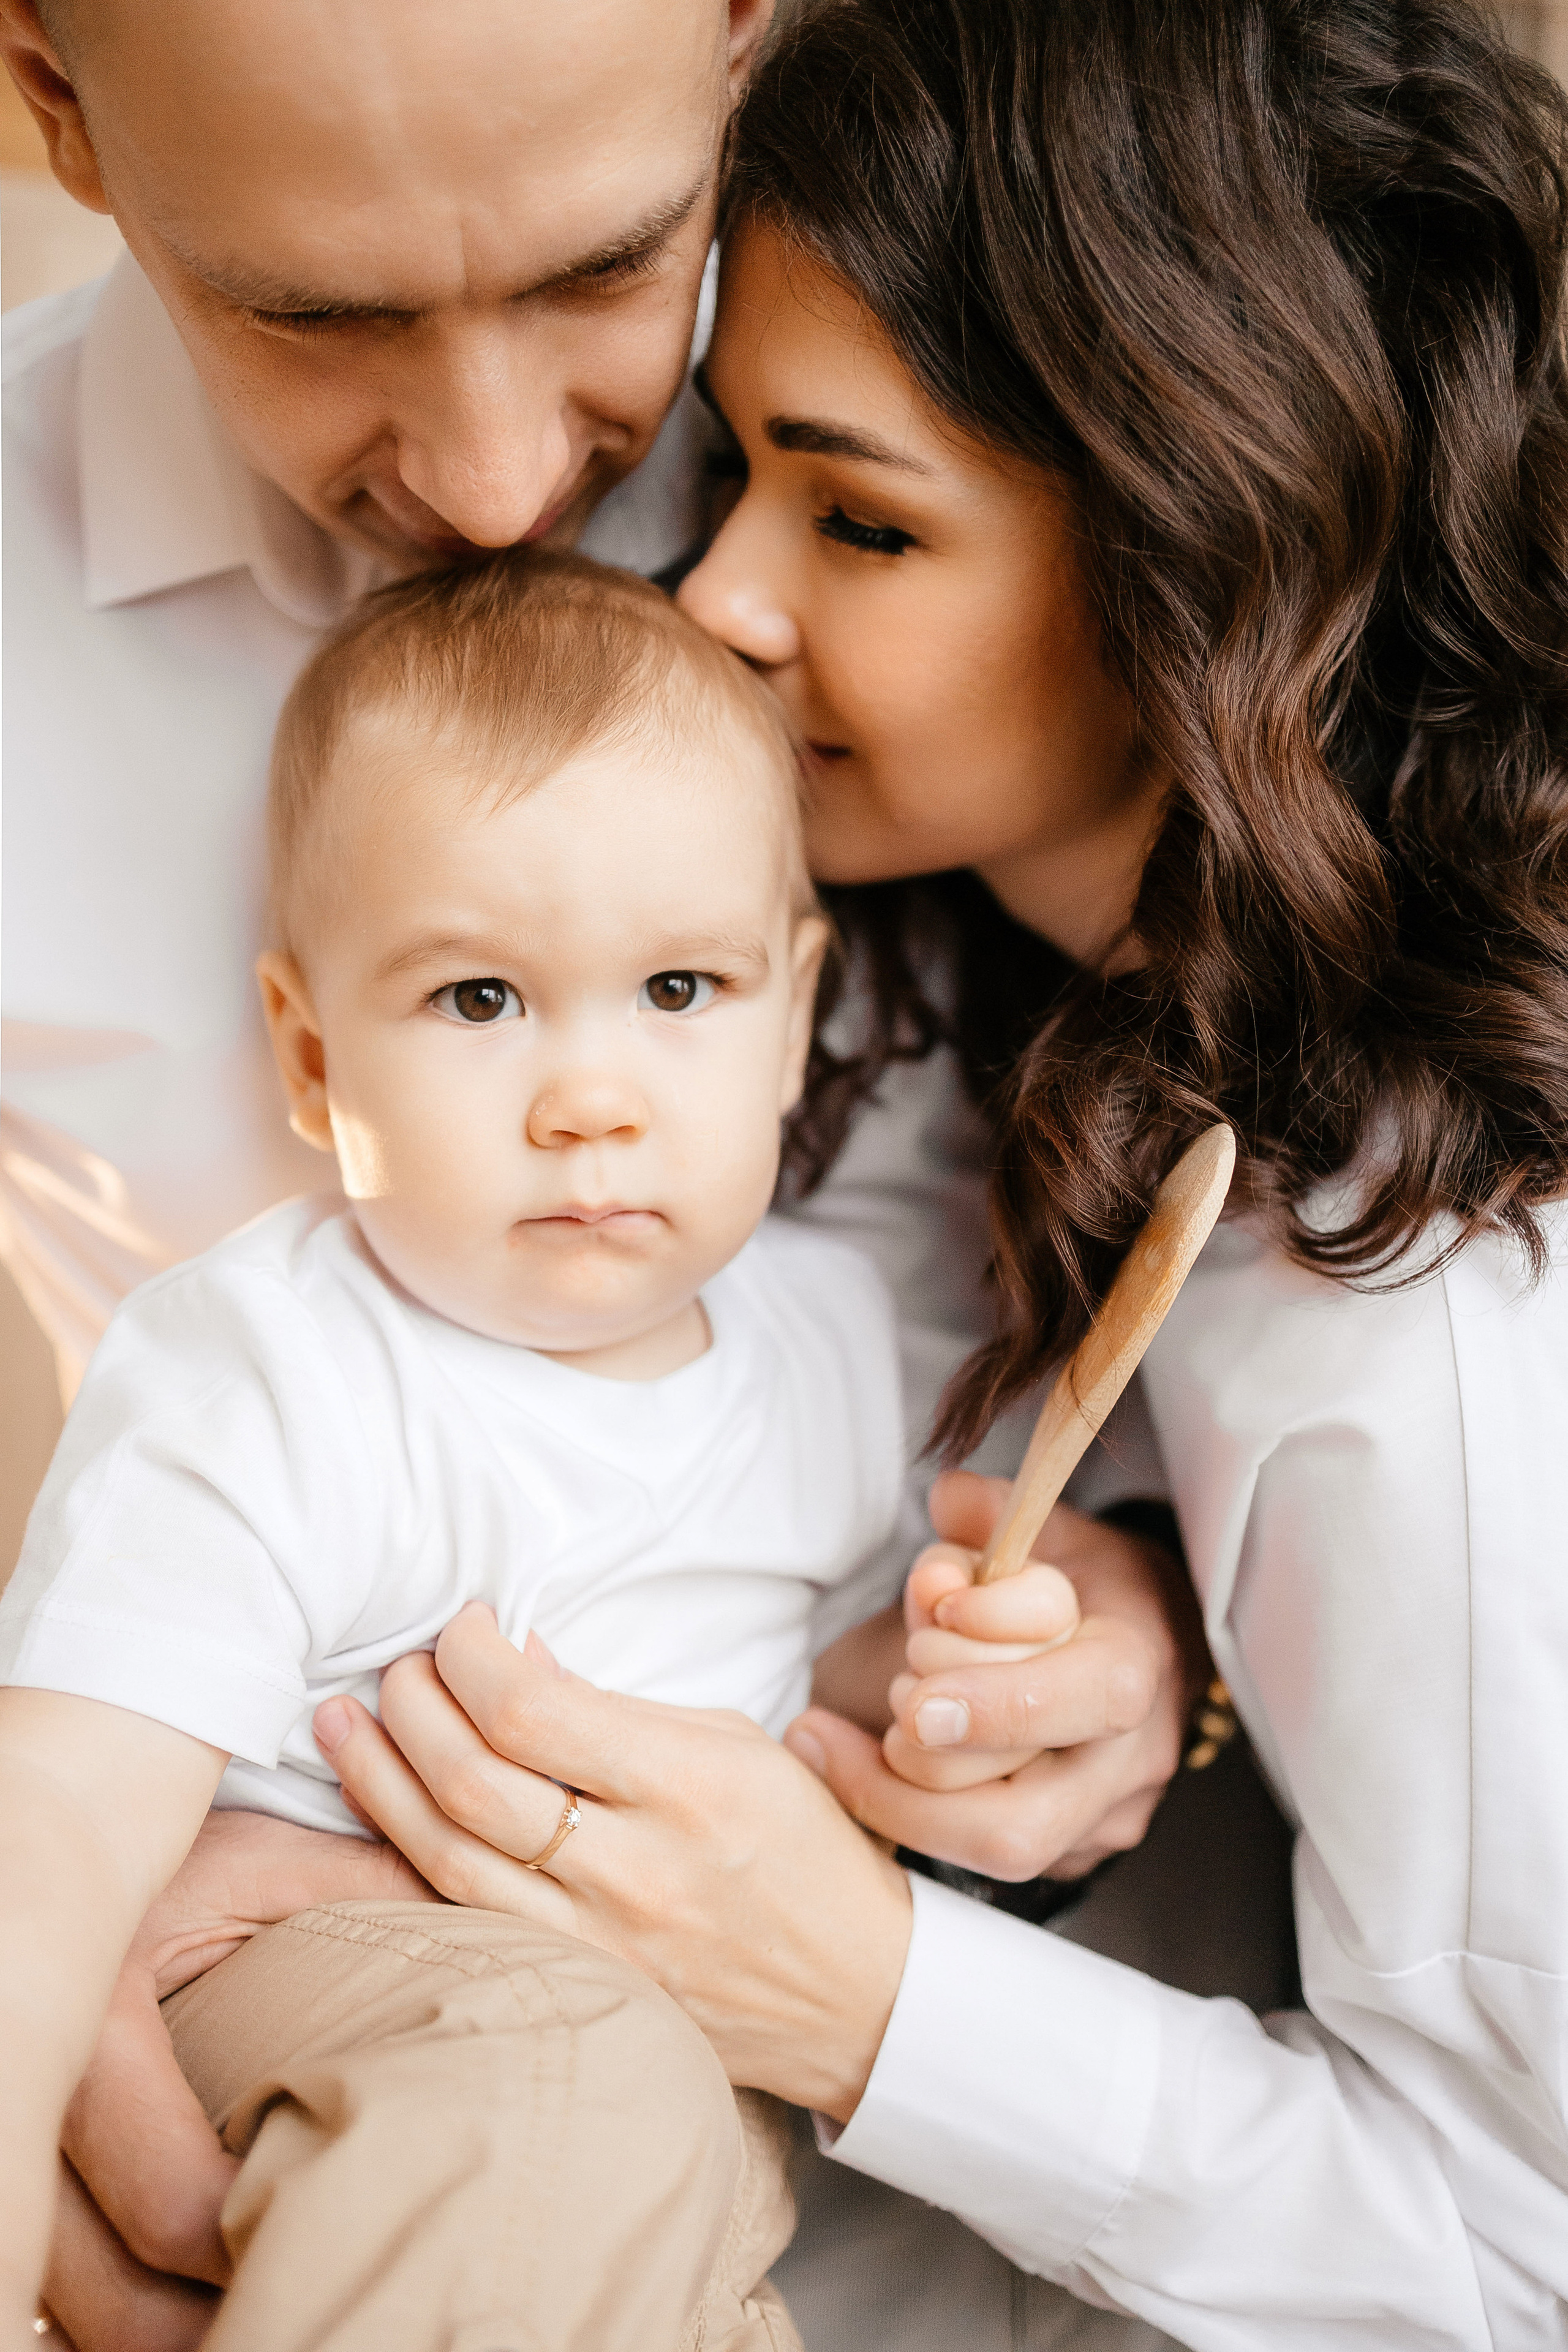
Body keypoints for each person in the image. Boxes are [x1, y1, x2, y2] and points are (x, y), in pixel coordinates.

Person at [252, 0, 1564, 2344]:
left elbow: (1522, 2255)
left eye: (858, 521)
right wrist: (1147, 1602)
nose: (719, 600)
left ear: (1198, 546)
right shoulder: (1090, 1019)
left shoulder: (1439, 1332)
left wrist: (850, 1989)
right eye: (738, 475)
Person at [2, 4, 1216, 2345]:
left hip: (890, 2103)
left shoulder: (979, 425)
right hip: (281, 1970)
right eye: (313, 309)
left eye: (601, 269)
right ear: (57, 109)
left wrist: (1126, 1612)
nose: (484, 478)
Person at [3, 546, 1047, 2350]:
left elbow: (818, 1699)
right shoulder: (280, 1368)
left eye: (679, 991)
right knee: (574, 2071)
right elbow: (58, 1823)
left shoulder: (833, 1343)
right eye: (479, 999)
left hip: (693, 2134)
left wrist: (954, 1681)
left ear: (795, 1014)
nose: (592, 1097)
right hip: (330, 2001)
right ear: (317, 1059)